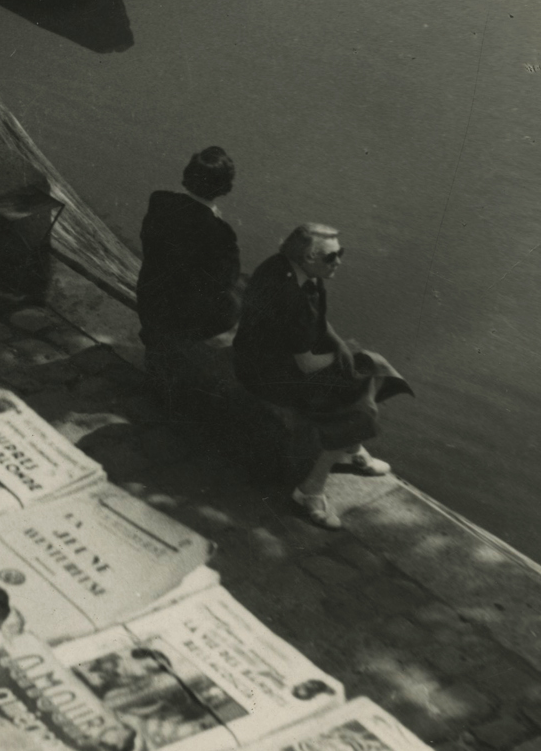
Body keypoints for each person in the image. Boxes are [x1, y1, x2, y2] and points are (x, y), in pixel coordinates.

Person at [233, 224, 412, 529]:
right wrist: (346, 361)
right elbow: (307, 364)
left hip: (272, 358)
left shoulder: (293, 270)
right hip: (269, 374)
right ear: (308, 256)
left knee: (373, 364)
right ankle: (310, 491)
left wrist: (340, 343)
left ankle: (352, 449)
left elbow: (318, 319)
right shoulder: (290, 295)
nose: (338, 261)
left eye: (340, 253)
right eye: (332, 256)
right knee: (359, 404)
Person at [136, 147, 242, 398]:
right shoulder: (220, 233)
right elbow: (225, 281)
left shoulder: (159, 201)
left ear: (188, 175)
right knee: (239, 297)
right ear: (224, 187)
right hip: (181, 315)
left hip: (150, 297)